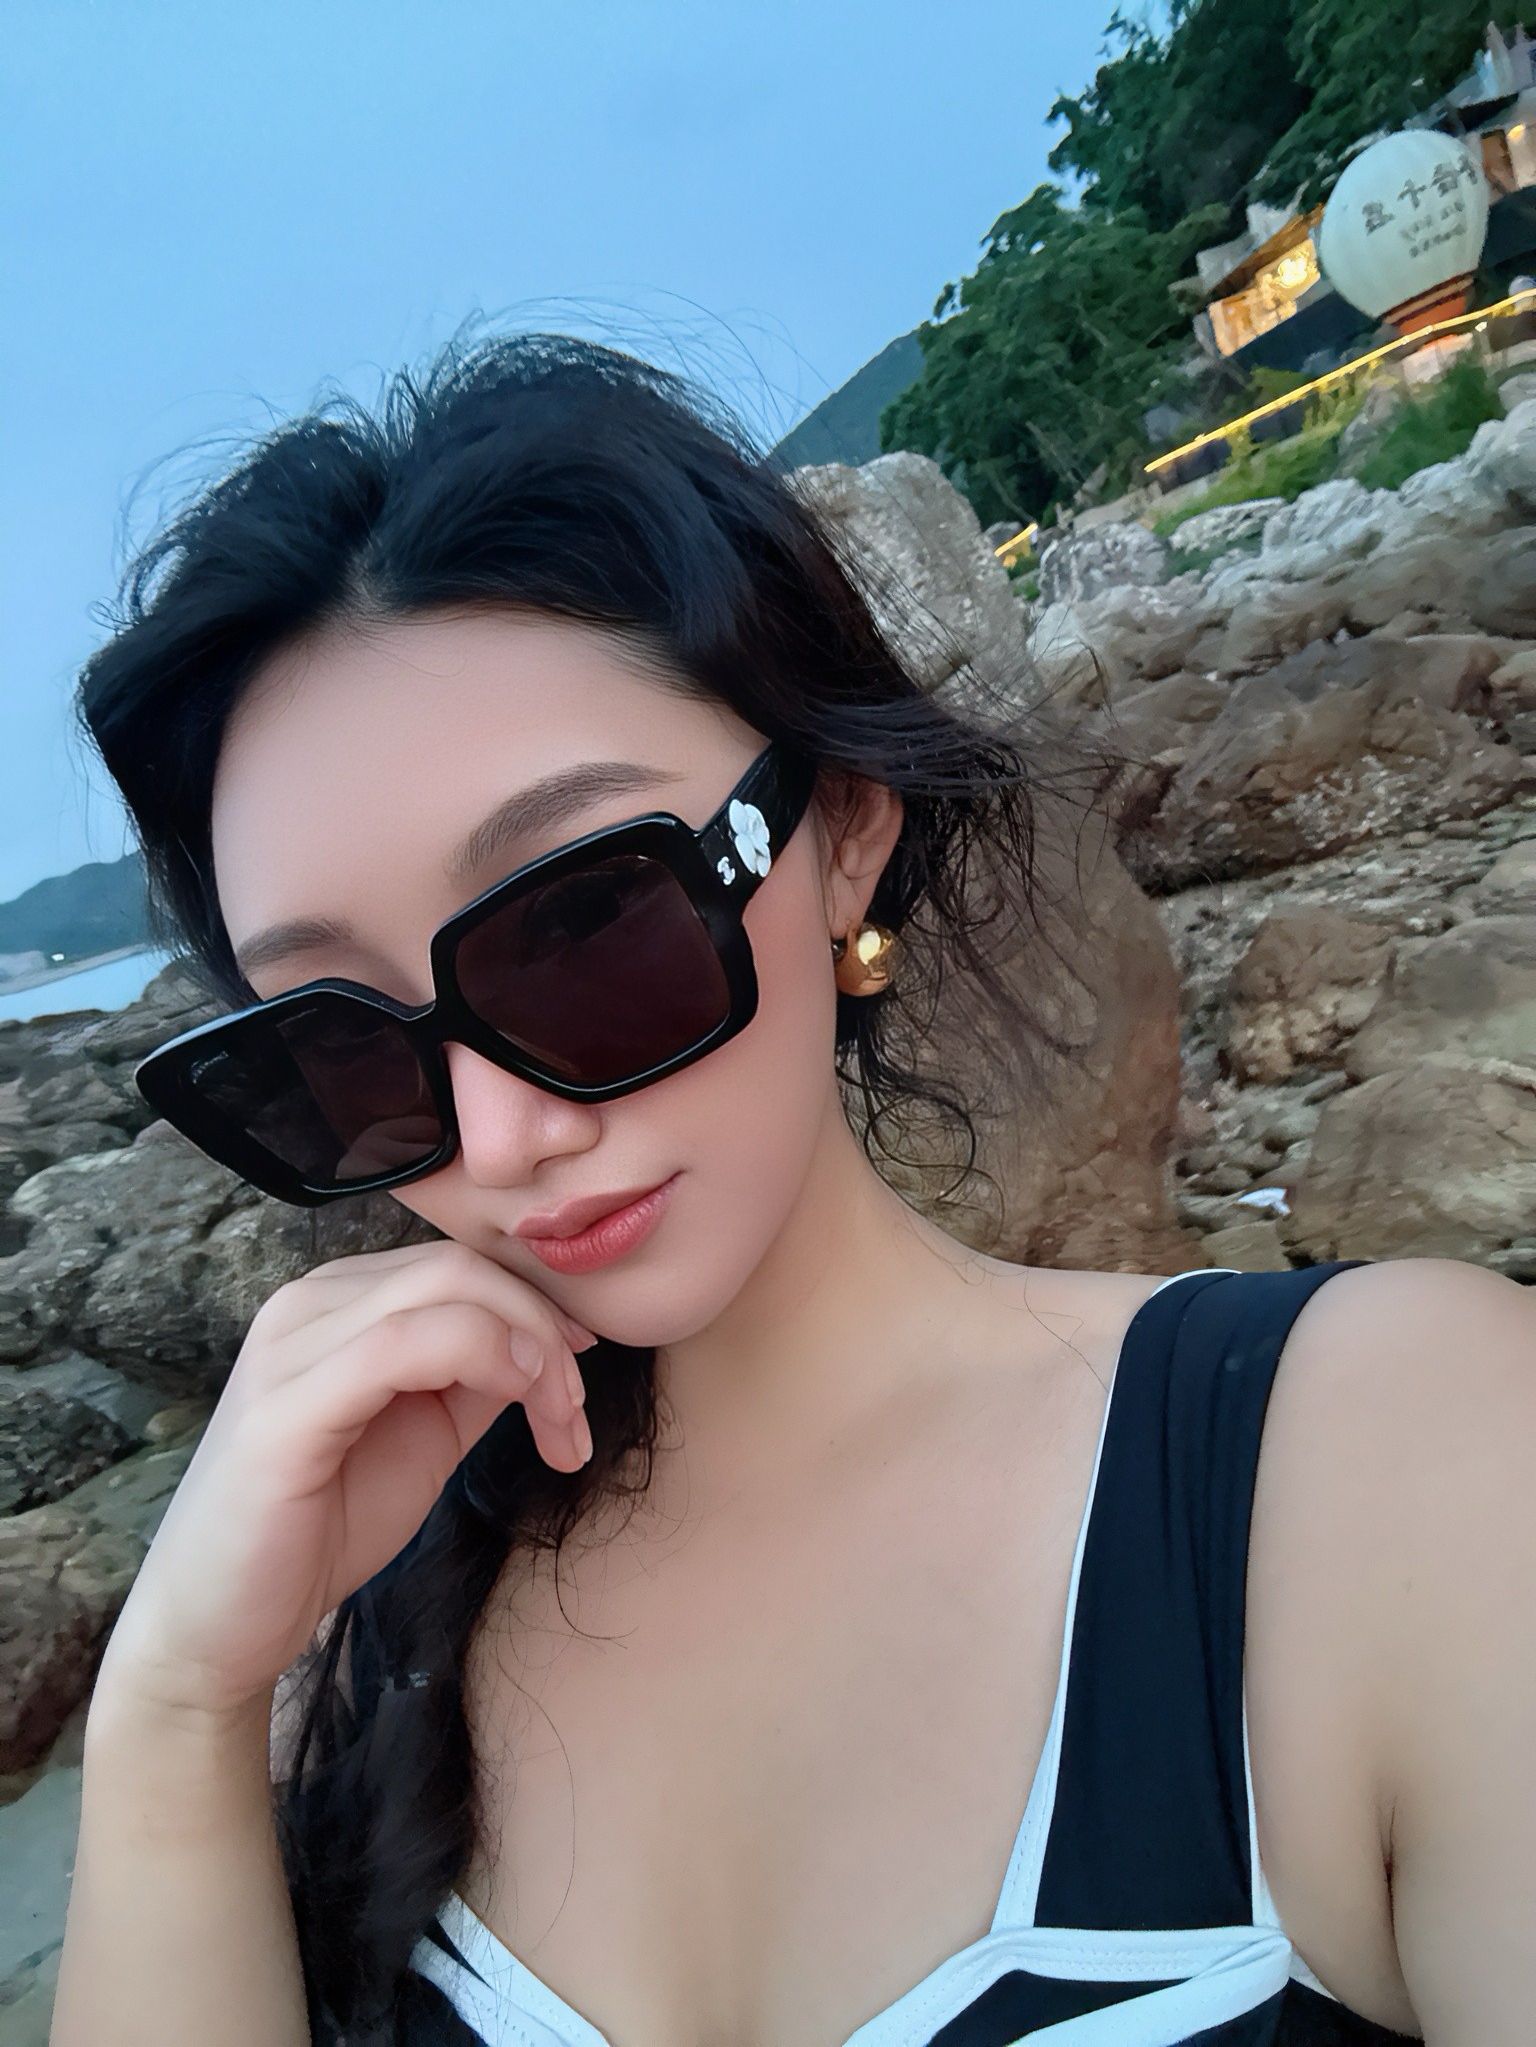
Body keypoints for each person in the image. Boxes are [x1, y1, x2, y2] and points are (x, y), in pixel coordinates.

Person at [52, 338, 1533, 2047]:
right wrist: (174, 1707)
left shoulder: (1384, 1463)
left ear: (841, 829)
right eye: (337, 1043)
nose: (500, 1135)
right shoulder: (359, 1637)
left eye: (585, 923)